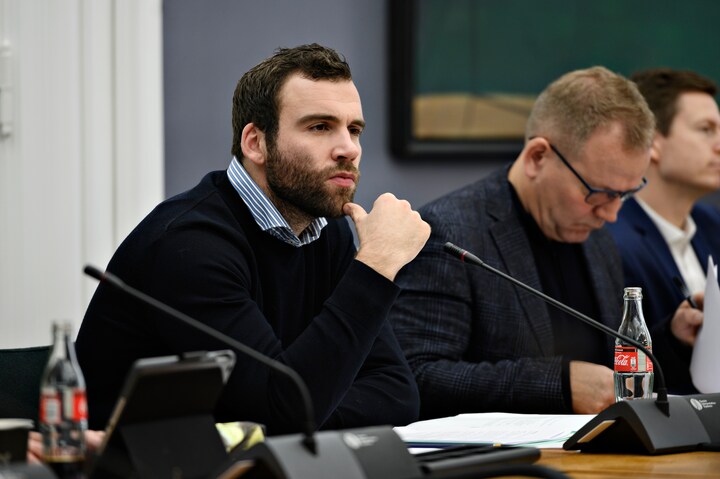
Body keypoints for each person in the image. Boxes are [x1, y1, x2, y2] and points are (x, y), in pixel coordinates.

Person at [75, 44, 430, 433]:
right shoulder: (188, 246)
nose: (348, 149)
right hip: (134, 460)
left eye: (354, 130)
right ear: (255, 143)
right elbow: (280, 412)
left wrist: (306, 413)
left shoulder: (328, 231)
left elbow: (397, 394)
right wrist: (375, 266)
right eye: (320, 127)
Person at [390, 66, 703, 419]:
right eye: (599, 192)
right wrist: (557, 386)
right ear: (538, 157)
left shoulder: (596, 235)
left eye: (625, 194)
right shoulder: (450, 232)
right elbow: (417, 377)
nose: (612, 214)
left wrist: (674, 340)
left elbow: (608, 375)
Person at [607, 68, 719, 393]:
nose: (719, 144)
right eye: (706, 130)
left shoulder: (712, 224)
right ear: (653, 143)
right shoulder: (611, 240)